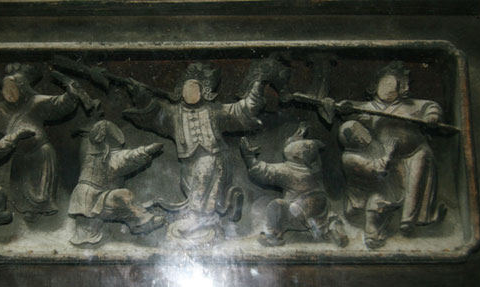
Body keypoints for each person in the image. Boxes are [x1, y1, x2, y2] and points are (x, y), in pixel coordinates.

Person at [123, 62, 274, 243]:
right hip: (188, 164)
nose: (191, 91)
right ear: (180, 90)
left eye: (195, 87)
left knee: (205, 177)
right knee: (197, 191)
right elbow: (155, 114)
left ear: (204, 90)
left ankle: (198, 218)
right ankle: (212, 216)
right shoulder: (173, 114)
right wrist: (139, 94)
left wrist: (258, 83)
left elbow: (242, 110)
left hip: (214, 158)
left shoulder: (215, 112)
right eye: (187, 87)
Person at [340, 61, 446, 234]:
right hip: (386, 156)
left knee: (422, 160)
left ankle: (409, 219)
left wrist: (432, 116)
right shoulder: (368, 108)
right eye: (386, 83)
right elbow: (347, 107)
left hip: (413, 153)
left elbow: (430, 106)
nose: (390, 88)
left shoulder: (410, 105)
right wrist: (342, 108)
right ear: (374, 86)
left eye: (395, 85)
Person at [0, 63, 98, 221]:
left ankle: (42, 208)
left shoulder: (36, 102)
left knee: (41, 189)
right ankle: (27, 211)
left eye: (16, 86)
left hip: (40, 151)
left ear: (24, 86)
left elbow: (59, 104)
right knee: (21, 187)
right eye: (7, 87)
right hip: (19, 155)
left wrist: (71, 94)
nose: (11, 92)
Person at [239, 123, 348, 247]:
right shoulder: (315, 166)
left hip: (298, 210)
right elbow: (307, 149)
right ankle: (332, 227)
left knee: (276, 206)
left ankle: (274, 235)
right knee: (325, 217)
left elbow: (261, 172)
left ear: (295, 156)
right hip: (321, 206)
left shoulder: (287, 170)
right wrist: (294, 141)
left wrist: (249, 157)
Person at [68, 120, 165, 245]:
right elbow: (128, 158)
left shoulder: (91, 154)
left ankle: (136, 223)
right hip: (95, 201)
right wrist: (147, 150)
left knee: (88, 233)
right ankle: (143, 223)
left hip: (84, 203)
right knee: (124, 196)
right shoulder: (110, 157)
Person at [339, 120, 402, 248]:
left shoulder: (371, 145)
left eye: (362, 129)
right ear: (356, 140)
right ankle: (372, 236)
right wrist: (389, 153)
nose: (364, 134)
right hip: (360, 199)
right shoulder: (350, 158)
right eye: (359, 135)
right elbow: (377, 169)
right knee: (375, 205)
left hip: (378, 187)